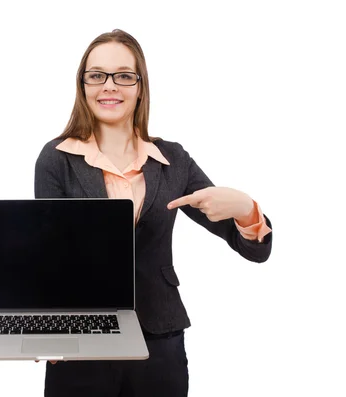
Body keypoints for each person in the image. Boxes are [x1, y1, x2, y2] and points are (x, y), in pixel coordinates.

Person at [34, 29, 273, 397]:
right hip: (82, 339)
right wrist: (48, 330)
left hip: (159, 335)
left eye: (124, 76)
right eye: (97, 75)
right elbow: (50, 256)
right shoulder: (56, 158)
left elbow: (255, 250)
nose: (109, 86)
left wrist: (245, 208)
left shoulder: (173, 160)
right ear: (83, 85)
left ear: (140, 86)